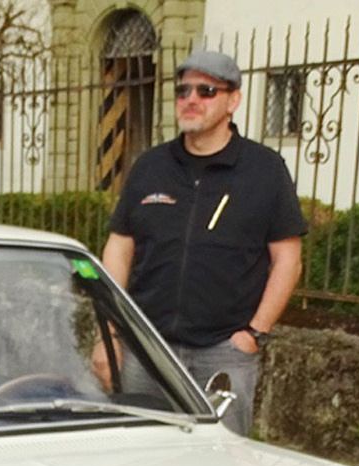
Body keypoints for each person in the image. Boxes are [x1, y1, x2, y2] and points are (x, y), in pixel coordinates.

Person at [100, 49, 306, 434]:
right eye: (183, 91)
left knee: (218, 465)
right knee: (138, 460)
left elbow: (288, 260)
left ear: (233, 100)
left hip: (223, 354)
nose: (191, 99)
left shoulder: (264, 170)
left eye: (206, 90)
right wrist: (110, 334)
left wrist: (254, 334)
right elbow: (119, 249)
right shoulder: (150, 167)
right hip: (148, 350)